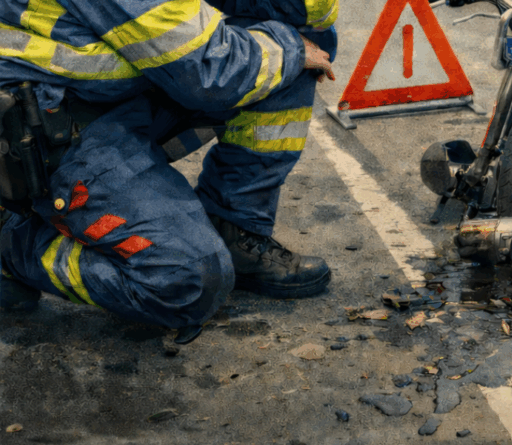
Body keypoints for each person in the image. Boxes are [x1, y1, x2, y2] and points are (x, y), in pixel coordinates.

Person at [0, 0, 338, 341]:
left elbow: (311, 9)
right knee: (188, 282)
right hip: (55, 130)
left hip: (116, 93)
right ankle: (12, 244)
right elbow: (209, 71)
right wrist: (289, 47)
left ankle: (235, 227)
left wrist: (289, 42)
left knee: (293, 37)